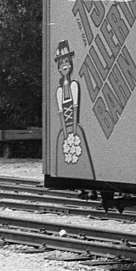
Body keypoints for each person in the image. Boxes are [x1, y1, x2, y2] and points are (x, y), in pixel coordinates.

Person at [54, 40, 95, 178]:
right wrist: (66, 134)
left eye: (66, 62)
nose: (64, 65)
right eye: (61, 63)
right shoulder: (59, 90)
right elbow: (61, 113)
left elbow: (75, 108)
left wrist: (75, 130)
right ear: (59, 68)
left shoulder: (74, 86)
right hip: (66, 129)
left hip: (75, 127)